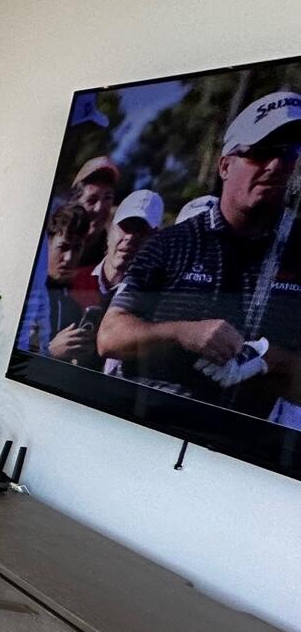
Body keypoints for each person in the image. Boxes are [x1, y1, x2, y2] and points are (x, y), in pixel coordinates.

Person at [99, 92, 301, 415]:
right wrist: (183, 333)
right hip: (146, 432)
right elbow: (109, 336)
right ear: (224, 165)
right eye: (260, 153)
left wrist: (268, 360)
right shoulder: (171, 243)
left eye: (289, 153)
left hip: (248, 456)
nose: (275, 165)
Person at [62, 188, 163, 370]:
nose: (130, 238)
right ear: (109, 230)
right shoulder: (70, 281)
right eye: (125, 227)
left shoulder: (153, 304)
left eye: (141, 232)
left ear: (155, 240)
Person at [17, 201, 97, 359]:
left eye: (76, 249)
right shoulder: (22, 290)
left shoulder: (72, 306)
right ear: (47, 244)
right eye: (63, 248)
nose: (68, 258)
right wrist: (50, 352)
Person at [68, 155, 120, 265]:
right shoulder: (51, 242)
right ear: (74, 202)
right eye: (92, 200)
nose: (99, 208)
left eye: (107, 198)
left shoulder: (112, 256)